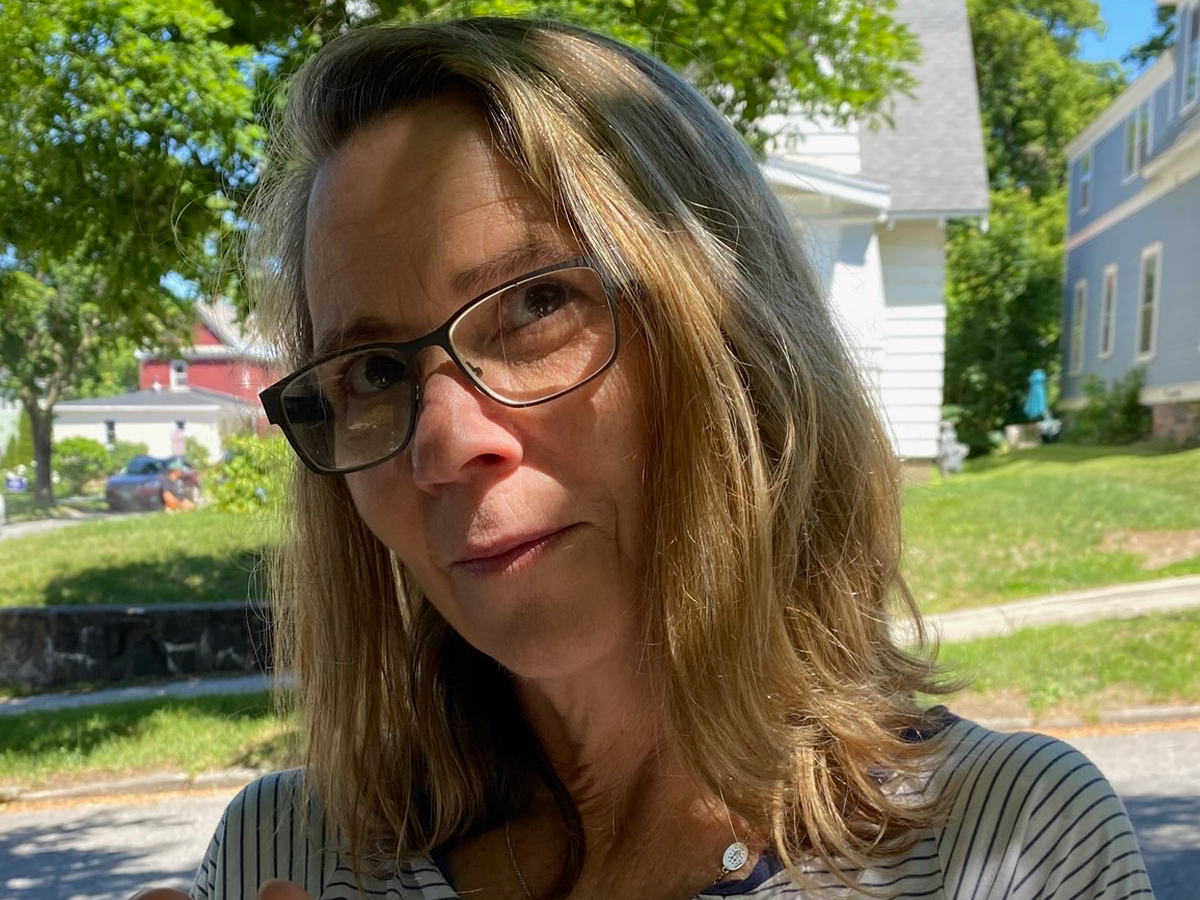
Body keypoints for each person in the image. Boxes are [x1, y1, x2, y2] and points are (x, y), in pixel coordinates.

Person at [133, 17, 1154, 900]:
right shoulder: (290, 855)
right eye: (369, 372)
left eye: (537, 304)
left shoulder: (1005, 844)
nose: (444, 443)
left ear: (735, 347)